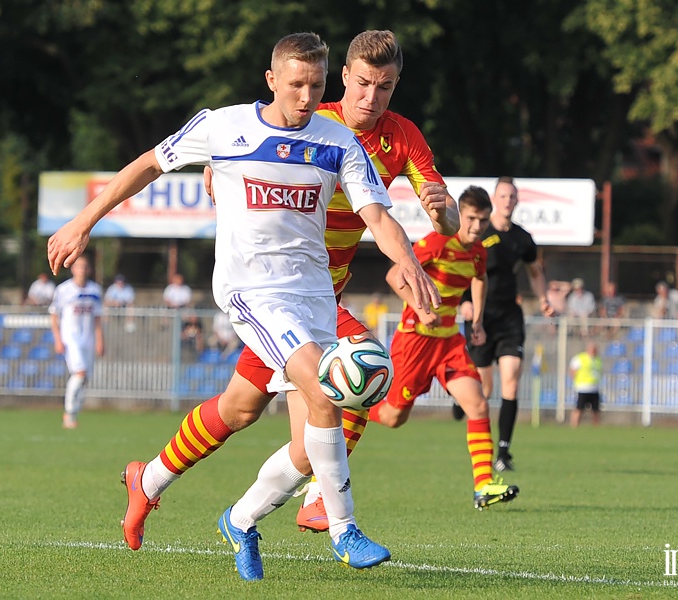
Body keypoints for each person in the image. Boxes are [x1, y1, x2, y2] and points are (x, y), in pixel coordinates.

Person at [46, 32, 444, 581]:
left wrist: (410, 262)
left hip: (314, 298)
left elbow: (378, 216)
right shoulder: (224, 126)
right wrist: (82, 220)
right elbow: (147, 165)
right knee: (330, 392)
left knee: (247, 414)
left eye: (316, 85)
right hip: (253, 292)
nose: (306, 96)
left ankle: (177, 492)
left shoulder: (338, 142)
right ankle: (342, 526)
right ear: (272, 80)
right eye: (297, 84)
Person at [371, 185, 519, 508]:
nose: (476, 227)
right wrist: (422, 308)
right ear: (460, 215)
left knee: (478, 405)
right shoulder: (438, 242)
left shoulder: (479, 251)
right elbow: (395, 275)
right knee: (394, 416)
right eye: (470, 219)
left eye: (482, 220)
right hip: (416, 340)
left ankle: (484, 485)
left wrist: (477, 321)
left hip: (449, 342)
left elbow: (481, 279)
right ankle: (353, 408)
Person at [453, 176, 554, 475]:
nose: (508, 200)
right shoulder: (479, 233)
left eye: (512, 196)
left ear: (517, 200)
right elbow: (461, 269)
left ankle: (504, 452)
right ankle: (461, 401)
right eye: (503, 195)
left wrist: (544, 298)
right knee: (483, 387)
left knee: (511, 377)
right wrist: (463, 303)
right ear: (494, 200)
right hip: (481, 318)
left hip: (510, 316)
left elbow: (535, 271)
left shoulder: (522, 238)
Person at [48, 256, 104, 429]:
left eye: (85, 266)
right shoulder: (63, 289)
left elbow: (97, 318)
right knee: (79, 373)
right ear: (72, 269)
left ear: (89, 270)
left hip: (88, 338)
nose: (82, 270)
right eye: (78, 266)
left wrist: (100, 340)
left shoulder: (95, 290)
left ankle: (74, 412)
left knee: (84, 377)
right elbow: (54, 315)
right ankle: (69, 412)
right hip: (71, 338)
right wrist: (57, 339)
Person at [569, 341, 602, 427]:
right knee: (579, 409)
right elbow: (573, 371)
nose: (594, 351)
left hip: (594, 388)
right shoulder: (580, 358)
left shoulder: (598, 359)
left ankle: (596, 428)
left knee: (596, 410)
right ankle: (574, 426)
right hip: (583, 388)